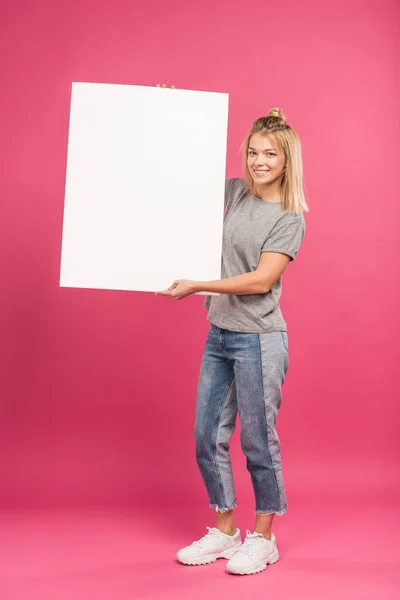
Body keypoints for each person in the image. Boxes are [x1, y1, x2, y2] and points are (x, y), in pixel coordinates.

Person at [156, 104, 308, 576]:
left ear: (287, 161)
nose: (259, 161)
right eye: (253, 151)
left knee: (259, 443)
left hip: (260, 340)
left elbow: (261, 281)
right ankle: (225, 529)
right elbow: (180, 175)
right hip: (220, 333)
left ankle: (263, 538)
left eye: (270, 154)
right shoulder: (234, 194)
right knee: (207, 437)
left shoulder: (290, 217)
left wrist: (198, 284)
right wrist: (165, 114)